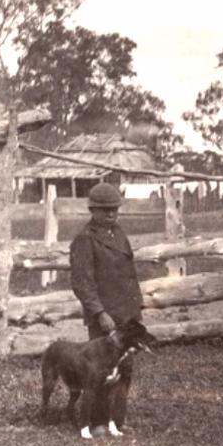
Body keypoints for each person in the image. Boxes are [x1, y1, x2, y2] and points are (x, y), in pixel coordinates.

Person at [69, 181, 143, 428]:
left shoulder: (119, 233)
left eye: (114, 209)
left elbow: (129, 273)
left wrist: (136, 309)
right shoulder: (84, 239)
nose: (111, 214)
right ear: (92, 210)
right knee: (100, 372)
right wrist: (100, 313)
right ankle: (98, 422)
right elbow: (82, 283)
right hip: (105, 318)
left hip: (127, 315)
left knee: (125, 369)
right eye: (105, 210)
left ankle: (118, 421)